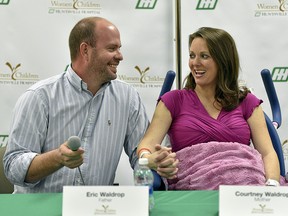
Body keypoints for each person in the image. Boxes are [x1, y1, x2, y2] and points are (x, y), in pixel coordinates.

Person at [3, 16, 150, 193]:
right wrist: (57, 158)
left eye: (119, 48)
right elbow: (13, 168)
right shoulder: (39, 97)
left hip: (97, 209)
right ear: (85, 50)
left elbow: (141, 155)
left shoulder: (128, 97)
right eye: (112, 48)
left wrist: (153, 160)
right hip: (41, 210)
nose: (120, 56)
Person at [137, 27, 282, 190]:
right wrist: (150, 159)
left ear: (223, 60)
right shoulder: (172, 100)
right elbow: (146, 146)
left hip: (244, 190)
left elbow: (268, 153)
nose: (195, 63)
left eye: (204, 56)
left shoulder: (247, 101)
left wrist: (272, 185)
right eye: (192, 55)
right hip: (193, 193)